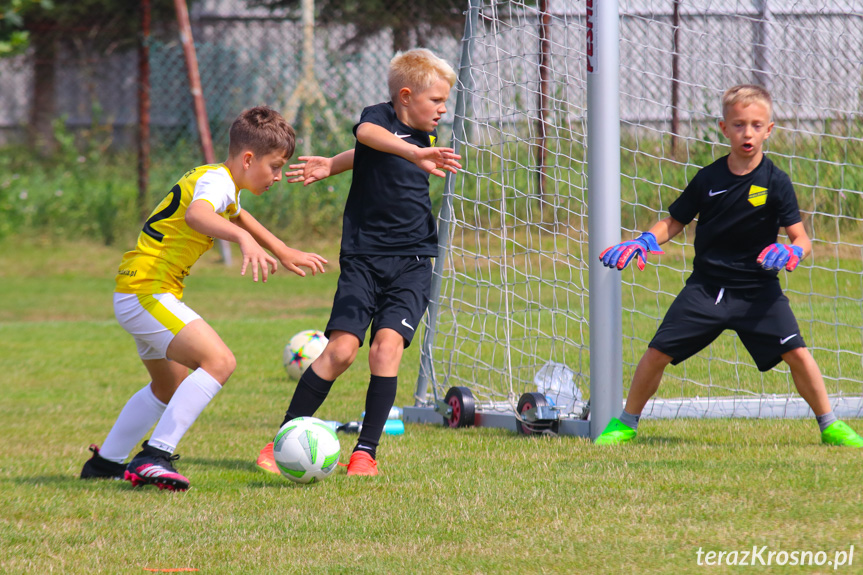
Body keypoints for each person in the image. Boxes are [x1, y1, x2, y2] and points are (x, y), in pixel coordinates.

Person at [595, 84, 863, 448]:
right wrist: (644, 239)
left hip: (758, 291)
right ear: (724, 128)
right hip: (706, 288)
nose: (747, 133)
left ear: (769, 129)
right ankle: (625, 424)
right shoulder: (709, 179)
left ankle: (830, 425)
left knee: (797, 353)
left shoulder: (776, 182)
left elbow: (802, 238)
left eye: (755, 125)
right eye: (738, 125)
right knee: (656, 352)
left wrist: (792, 253)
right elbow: (674, 221)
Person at [80, 106, 328, 490]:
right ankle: (155, 456)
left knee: (167, 387)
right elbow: (199, 216)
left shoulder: (218, 179)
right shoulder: (215, 182)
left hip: (137, 290)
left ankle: (105, 463)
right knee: (220, 361)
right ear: (248, 159)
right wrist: (244, 242)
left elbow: (238, 215)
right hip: (148, 290)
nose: (278, 176)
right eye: (275, 166)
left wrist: (282, 249)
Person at [255, 48, 461, 476]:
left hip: (414, 260)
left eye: (445, 102)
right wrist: (334, 163)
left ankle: (365, 453)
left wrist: (336, 163)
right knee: (342, 351)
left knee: (386, 350)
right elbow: (368, 137)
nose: (443, 109)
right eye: (436, 100)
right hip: (364, 258)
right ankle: (282, 442)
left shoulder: (426, 137)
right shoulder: (380, 118)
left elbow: (375, 153)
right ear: (405, 96)